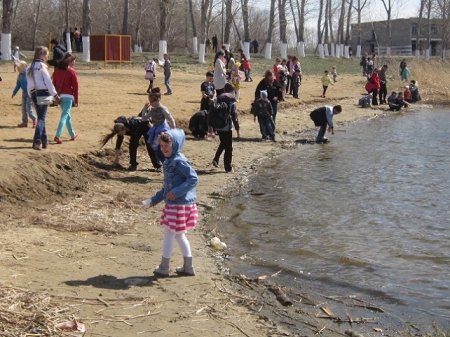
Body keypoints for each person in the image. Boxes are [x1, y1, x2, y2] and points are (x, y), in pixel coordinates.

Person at [143, 129, 199, 277]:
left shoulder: (178, 161)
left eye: (167, 145)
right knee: (180, 235)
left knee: (169, 234)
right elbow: (167, 188)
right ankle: (188, 267)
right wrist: (153, 200)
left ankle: (164, 267)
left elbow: (193, 178)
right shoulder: (169, 161)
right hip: (178, 203)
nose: (164, 149)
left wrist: (177, 192)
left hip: (179, 204)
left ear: (176, 144)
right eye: (161, 146)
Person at [27, 46, 60, 151]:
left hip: (33, 93)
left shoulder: (30, 67)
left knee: (41, 117)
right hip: (44, 93)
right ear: (41, 55)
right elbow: (48, 82)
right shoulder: (42, 66)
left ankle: (44, 140)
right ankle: (37, 141)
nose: (47, 56)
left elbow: (29, 84)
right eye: (46, 54)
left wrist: (30, 95)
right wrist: (55, 95)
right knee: (42, 118)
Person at [210, 83, 240, 173]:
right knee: (229, 147)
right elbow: (234, 116)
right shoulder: (231, 99)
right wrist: (238, 129)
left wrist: (211, 127)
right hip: (227, 126)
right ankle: (228, 167)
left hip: (218, 125)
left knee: (223, 142)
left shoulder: (218, 98)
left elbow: (212, 111)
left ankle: (216, 159)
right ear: (232, 91)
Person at [52, 53, 79, 144]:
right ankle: (58, 135)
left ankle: (72, 134)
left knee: (67, 116)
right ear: (70, 61)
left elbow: (54, 84)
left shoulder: (57, 70)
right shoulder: (72, 71)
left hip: (59, 96)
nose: (74, 62)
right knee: (64, 116)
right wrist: (76, 100)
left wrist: (55, 97)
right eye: (74, 60)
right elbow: (75, 87)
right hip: (68, 97)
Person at [145, 87, 176, 163]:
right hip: (154, 129)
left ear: (159, 99)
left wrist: (174, 129)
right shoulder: (152, 109)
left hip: (162, 129)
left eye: (153, 101)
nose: (151, 103)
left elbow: (170, 118)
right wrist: (144, 109)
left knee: (160, 148)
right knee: (156, 149)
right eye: (150, 101)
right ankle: (165, 162)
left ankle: (168, 162)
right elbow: (144, 118)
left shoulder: (162, 109)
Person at [12, 61, 36, 128]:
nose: (18, 70)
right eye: (17, 69)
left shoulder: (28, 74)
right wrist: (14, 93)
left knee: (28, 108)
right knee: (23, 109)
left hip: (30, 93)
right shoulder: (19, 75)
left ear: (24, 68)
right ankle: (24, 123)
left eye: (19, 68)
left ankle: (34, 120)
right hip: (24, 93)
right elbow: (18, 85)